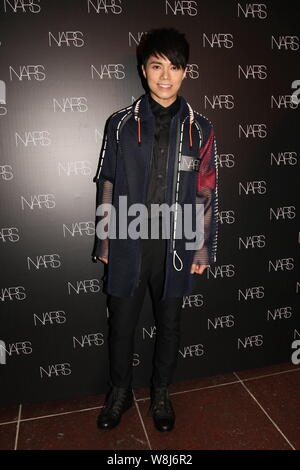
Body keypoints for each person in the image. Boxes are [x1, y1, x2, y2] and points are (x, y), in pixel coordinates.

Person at [91, 28, 219, 432]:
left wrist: (200, 251)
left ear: (186, 72)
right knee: (121, 325)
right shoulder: (120, 124)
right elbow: (107, 183)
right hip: (129, 238)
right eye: (156, 65)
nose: (165, 76)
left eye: (174, 67)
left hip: (175, 244)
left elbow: (206, 190)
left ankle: (161, 392)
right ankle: (120, 393)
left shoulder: (201, 128)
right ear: (143, 70)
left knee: (170, 325)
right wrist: (105, 240)